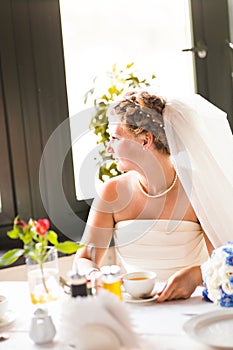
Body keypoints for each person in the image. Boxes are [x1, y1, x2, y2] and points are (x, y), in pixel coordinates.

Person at [73, 90, 233, 301]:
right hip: (137, 307)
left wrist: (196, 275)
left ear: (146, 140)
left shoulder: (197, 188)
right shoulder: (111, 192)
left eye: (115, 138)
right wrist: (94, 274)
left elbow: (225, 262)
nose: (109, 149)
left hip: (193, 306)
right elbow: (85, 258)